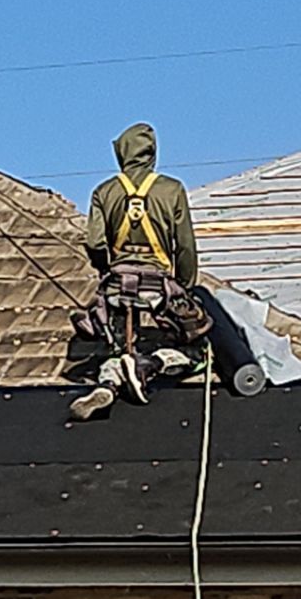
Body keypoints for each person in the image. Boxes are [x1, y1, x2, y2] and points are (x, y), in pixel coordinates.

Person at [69, 122, 212, 420]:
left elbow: (95, 242)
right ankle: (151, 364)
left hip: (116, 287)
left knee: (116, 350)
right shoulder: (171, 190)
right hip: (158, 287)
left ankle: (107, 384)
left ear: (122, 153)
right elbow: (185, 245)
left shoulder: (104, 192)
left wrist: (104, 269)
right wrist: (185, 287)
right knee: (197, 353)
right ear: (151, 153)